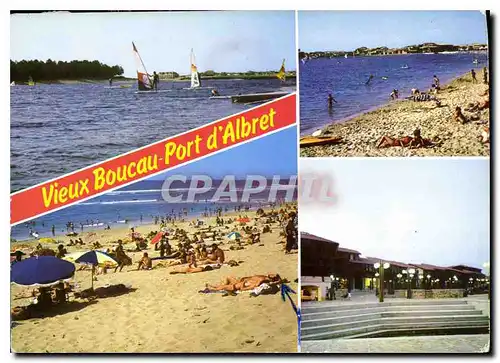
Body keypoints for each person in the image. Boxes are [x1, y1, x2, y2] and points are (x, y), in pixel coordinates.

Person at [205, 274, 282, 293]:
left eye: (272, 275)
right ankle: (216, 286)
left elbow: (242, 289)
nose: (270, 274)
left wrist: (243, 283)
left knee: (222, 288)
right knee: (228, 278)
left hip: (235, 287)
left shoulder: (256, 284)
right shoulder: (263, 277)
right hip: (239, 282)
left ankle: (213, 288)